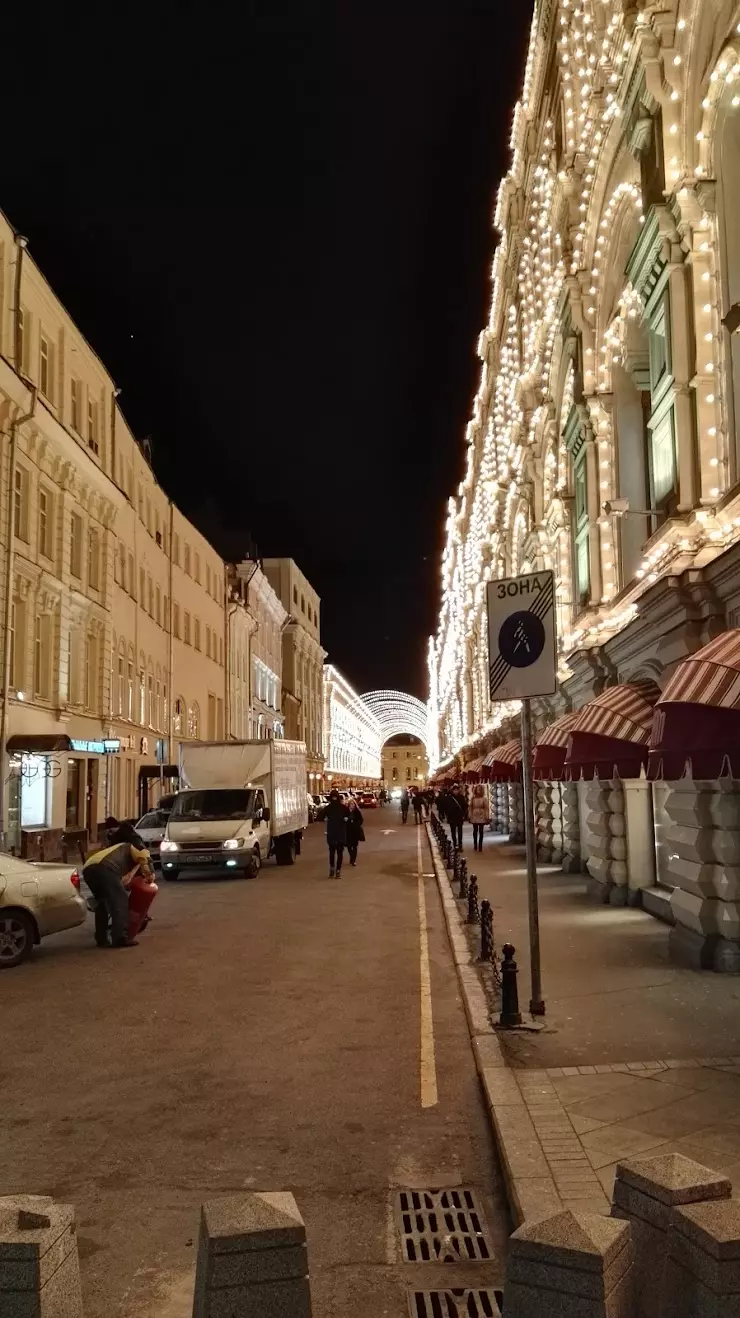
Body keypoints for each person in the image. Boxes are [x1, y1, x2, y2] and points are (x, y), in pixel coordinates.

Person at [82, 838, 154, 948]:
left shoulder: (117, 850)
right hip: (105, 867)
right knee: (120, 902)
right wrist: (149, 874)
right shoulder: (133, 847)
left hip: (88, 869)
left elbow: (120, 881)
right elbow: (144, 858)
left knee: (102, 903)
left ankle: (101, 939)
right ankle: (119, 938)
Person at [325, 789, 350, 877]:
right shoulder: (342, 807)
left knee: (335, 852)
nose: (334, 799)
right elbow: (321, 816)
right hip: (337, 833)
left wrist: (346, 818)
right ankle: (335, 869)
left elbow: (349, 815)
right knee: (336, 852)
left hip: (334, 833)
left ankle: (336, 869)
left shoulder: (329, 808)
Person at [468, 783, 490, 852]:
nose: (479, 791)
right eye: (477, 790)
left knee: (481, 831)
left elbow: (486, 808)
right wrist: (470, 815)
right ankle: (475, 844)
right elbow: (470, 807)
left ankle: (480, 846)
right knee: (475, 831)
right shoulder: (473, 799)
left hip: (481, 815)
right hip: (474, 815)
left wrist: (487, 816)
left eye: (480, 790)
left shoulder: (484, 799)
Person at [445, 783, 465, 851]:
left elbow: (464, 806)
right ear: (452, 790)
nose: (456, 791)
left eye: (457, 789)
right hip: (452, 817)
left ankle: (460, 845)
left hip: (459, 817)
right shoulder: (449, 798)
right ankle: (455, 844)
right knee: (453, 831)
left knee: (460, 831)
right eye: (454, 790)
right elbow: (446, 807)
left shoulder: (461, 797)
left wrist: (463, 814)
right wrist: (448, 816)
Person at [346, 798, 365, 866]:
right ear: (348, 805)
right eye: (350, 804)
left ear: (355, 804)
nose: (352, 805)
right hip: (348, 830)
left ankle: (353, 860)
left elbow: (361, 819)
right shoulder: (346, 811)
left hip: (355, 831)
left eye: (353, 804)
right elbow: (343, 818)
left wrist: (357, 824)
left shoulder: (357, 811)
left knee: (354, 846)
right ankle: (351, 856)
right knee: (348, 846)